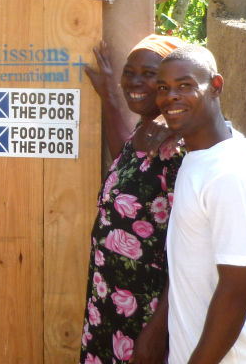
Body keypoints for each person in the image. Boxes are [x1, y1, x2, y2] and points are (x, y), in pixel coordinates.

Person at [154, 44, 246, 364]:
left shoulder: (228, 173)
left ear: (215, 86)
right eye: (163, 88)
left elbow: (237, 292)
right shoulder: (198, 158)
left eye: (185, 85)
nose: (170, 97)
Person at [79, 34, 186, 364]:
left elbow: (188, 252)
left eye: (149, 74)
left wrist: (157, 332)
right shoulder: (145, 133)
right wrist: (109, 94)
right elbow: (125, 165)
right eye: (130, 71)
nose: (136, 81)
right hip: (107, 299)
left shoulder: (177, 151)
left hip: (146, 311)